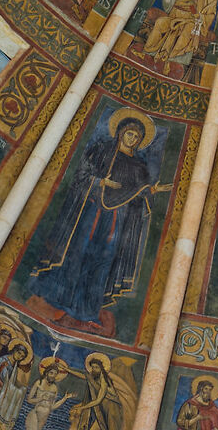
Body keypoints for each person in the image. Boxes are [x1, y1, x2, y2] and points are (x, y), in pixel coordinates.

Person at [27, 112, 165, 327]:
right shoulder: (101, 152)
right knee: (79, 252)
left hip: (117, 219)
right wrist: (100, 183)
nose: (132, 140)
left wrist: (151, 190)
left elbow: (137, 194)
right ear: (120, 133)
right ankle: (60, 301)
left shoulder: (139, 167)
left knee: (104, 260)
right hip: (91, 212)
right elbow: (81, 175)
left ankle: (85, 311)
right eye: (129, 134)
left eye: (136, 138)